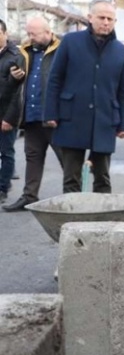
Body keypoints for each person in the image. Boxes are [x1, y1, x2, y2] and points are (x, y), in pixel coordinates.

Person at [43, 0, 124, 193]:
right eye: (101, 17)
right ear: (90, 18)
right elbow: (55, 79)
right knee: (71, 180)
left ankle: (100, 221)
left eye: (110, 19)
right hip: (72, 118)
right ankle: (72, 221)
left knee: (102, 179)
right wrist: (51, 113)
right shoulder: (70, 42)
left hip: (105, 121)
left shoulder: (121, 52)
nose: (106, 22)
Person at [3, 17, 63, 212]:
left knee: (67, 160)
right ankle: (29, 197)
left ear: (48, 32)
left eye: (34, 34)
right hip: (31, 117)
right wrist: (13, 78)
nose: (30, 38)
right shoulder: (24, 53)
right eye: (28, 34)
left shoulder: (61, 51)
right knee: (32, 158)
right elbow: (15, 89)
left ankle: (75, 197)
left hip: (54, 119)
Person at [0, 19, 26, 204]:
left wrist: (9, 118)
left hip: (6, 113)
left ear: (5, 33)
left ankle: (2, 188)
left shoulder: (16, 55)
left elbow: (18, 92)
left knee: (6, 152)